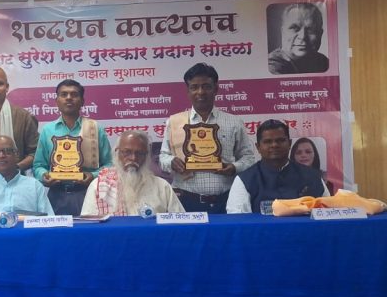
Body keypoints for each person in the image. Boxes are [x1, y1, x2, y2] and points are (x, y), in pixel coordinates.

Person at [159, 63, 257, 213]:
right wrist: (171, 162)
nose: (200, 92)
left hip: (226, 200)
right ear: (188, 91)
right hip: (185, 200)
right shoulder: (174, 122)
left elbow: (249, 158)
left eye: (206, 86)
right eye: (194, 87)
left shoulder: (234, 122)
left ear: (216, 89)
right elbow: (163, 157)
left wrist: (234, 167)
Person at [33, 79, 112, 215]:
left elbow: (110, 165)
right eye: (64, 94)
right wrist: (44, 175)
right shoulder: (48, 130)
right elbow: (38, 165)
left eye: (74, 94)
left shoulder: (95, 129)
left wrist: (92, 175)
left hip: (89, 194)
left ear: (82, 101)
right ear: (56, 101)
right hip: (56, 195)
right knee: (57, 229)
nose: (69, 98)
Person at [226, 120, 329, 214]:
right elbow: (238, 222)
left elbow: (328, 213)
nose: (274, 145)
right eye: (268, 142)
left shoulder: (312, 176)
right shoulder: (244, 180)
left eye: (280, 140)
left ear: (289, 143)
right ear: (258, 147)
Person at [81, 131, 183, 216]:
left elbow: (181, 222)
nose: (133, 158)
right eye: (127, 152)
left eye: (139, 153)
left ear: (147, 156)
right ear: (117, 153)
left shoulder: (162, 187)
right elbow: (88, 225)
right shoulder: (98, 186)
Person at [268, 3, 329, 75]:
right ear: (283, 32)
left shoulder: (323, 62)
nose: (302, 36)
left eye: (311, 30)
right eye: (294, 28)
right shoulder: (272, 65)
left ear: (320, 34)